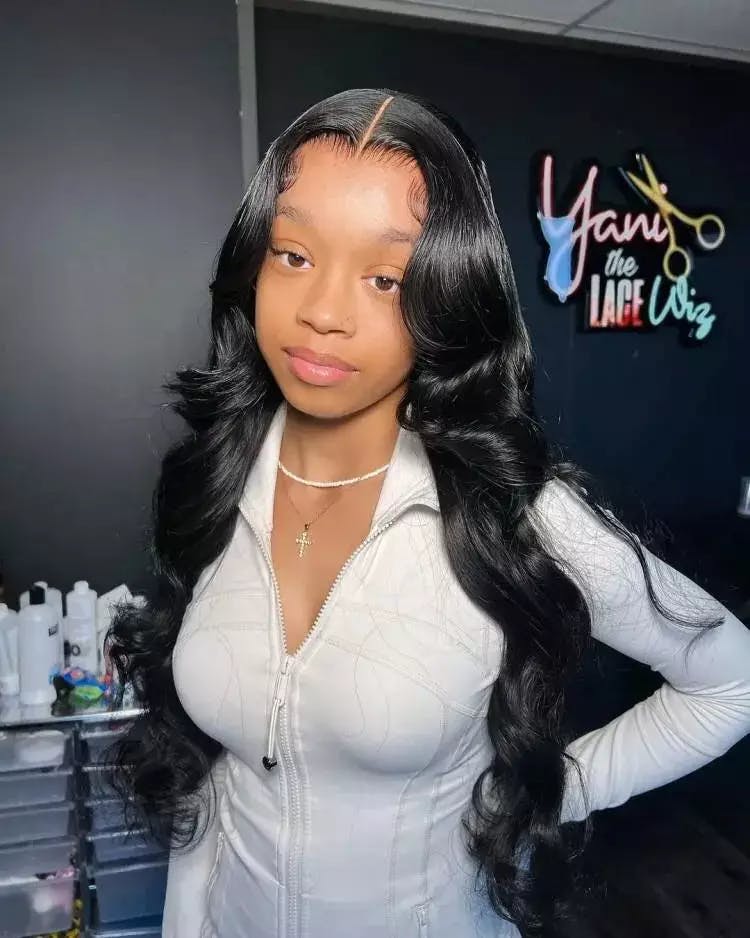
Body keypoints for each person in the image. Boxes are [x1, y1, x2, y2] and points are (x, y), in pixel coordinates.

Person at [106, 88, 750, 938]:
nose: (322, 312)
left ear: (448, 298)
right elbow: (216, 778)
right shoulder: (218, 477)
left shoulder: (513, 512)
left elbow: (732, 680)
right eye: (293, 255)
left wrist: (544, 793)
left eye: (386, 278)